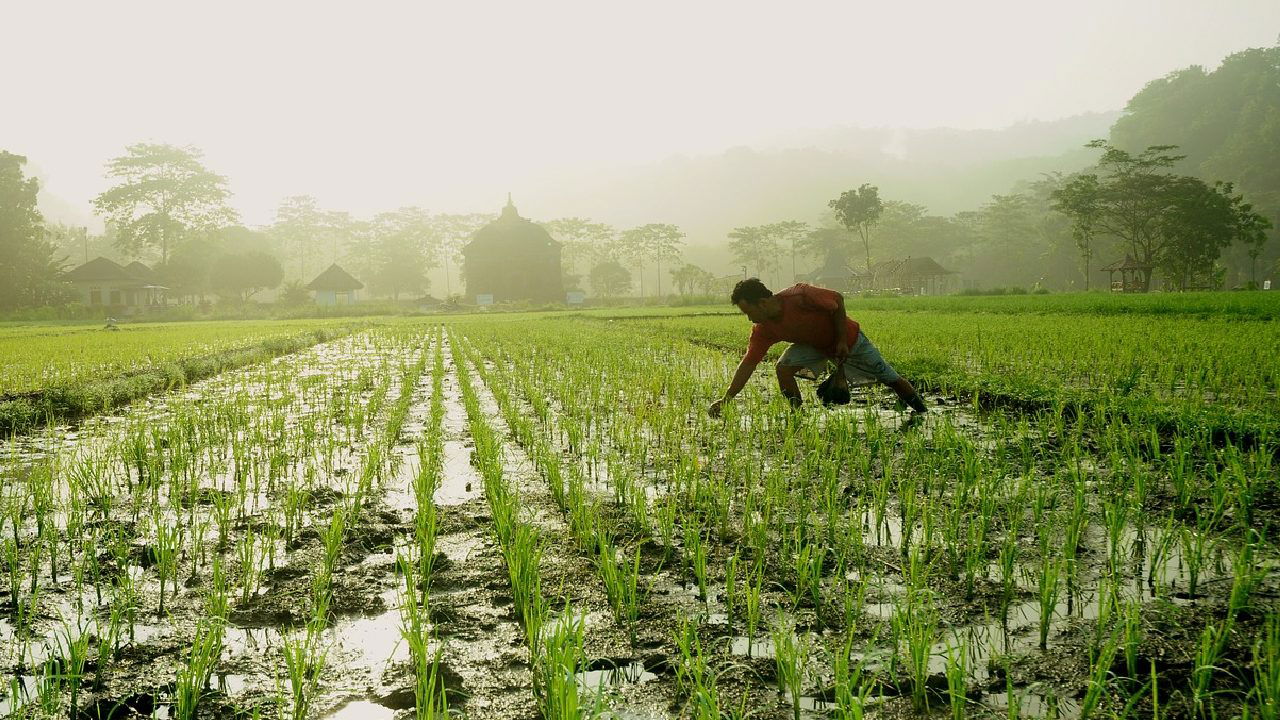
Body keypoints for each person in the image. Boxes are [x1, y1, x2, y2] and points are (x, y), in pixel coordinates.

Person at [708, 278, 927, 417]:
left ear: (763, 303)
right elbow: (748, 363)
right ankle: (798, 414)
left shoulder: (800, 295)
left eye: (749, 312)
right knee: (783, 368)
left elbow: (837, 301)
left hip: (850, 340)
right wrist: (727, 399)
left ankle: (922, 412)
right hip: (816, 348)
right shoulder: (763, 329)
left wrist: (841, 340)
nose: (749, 319)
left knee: (889, 378)